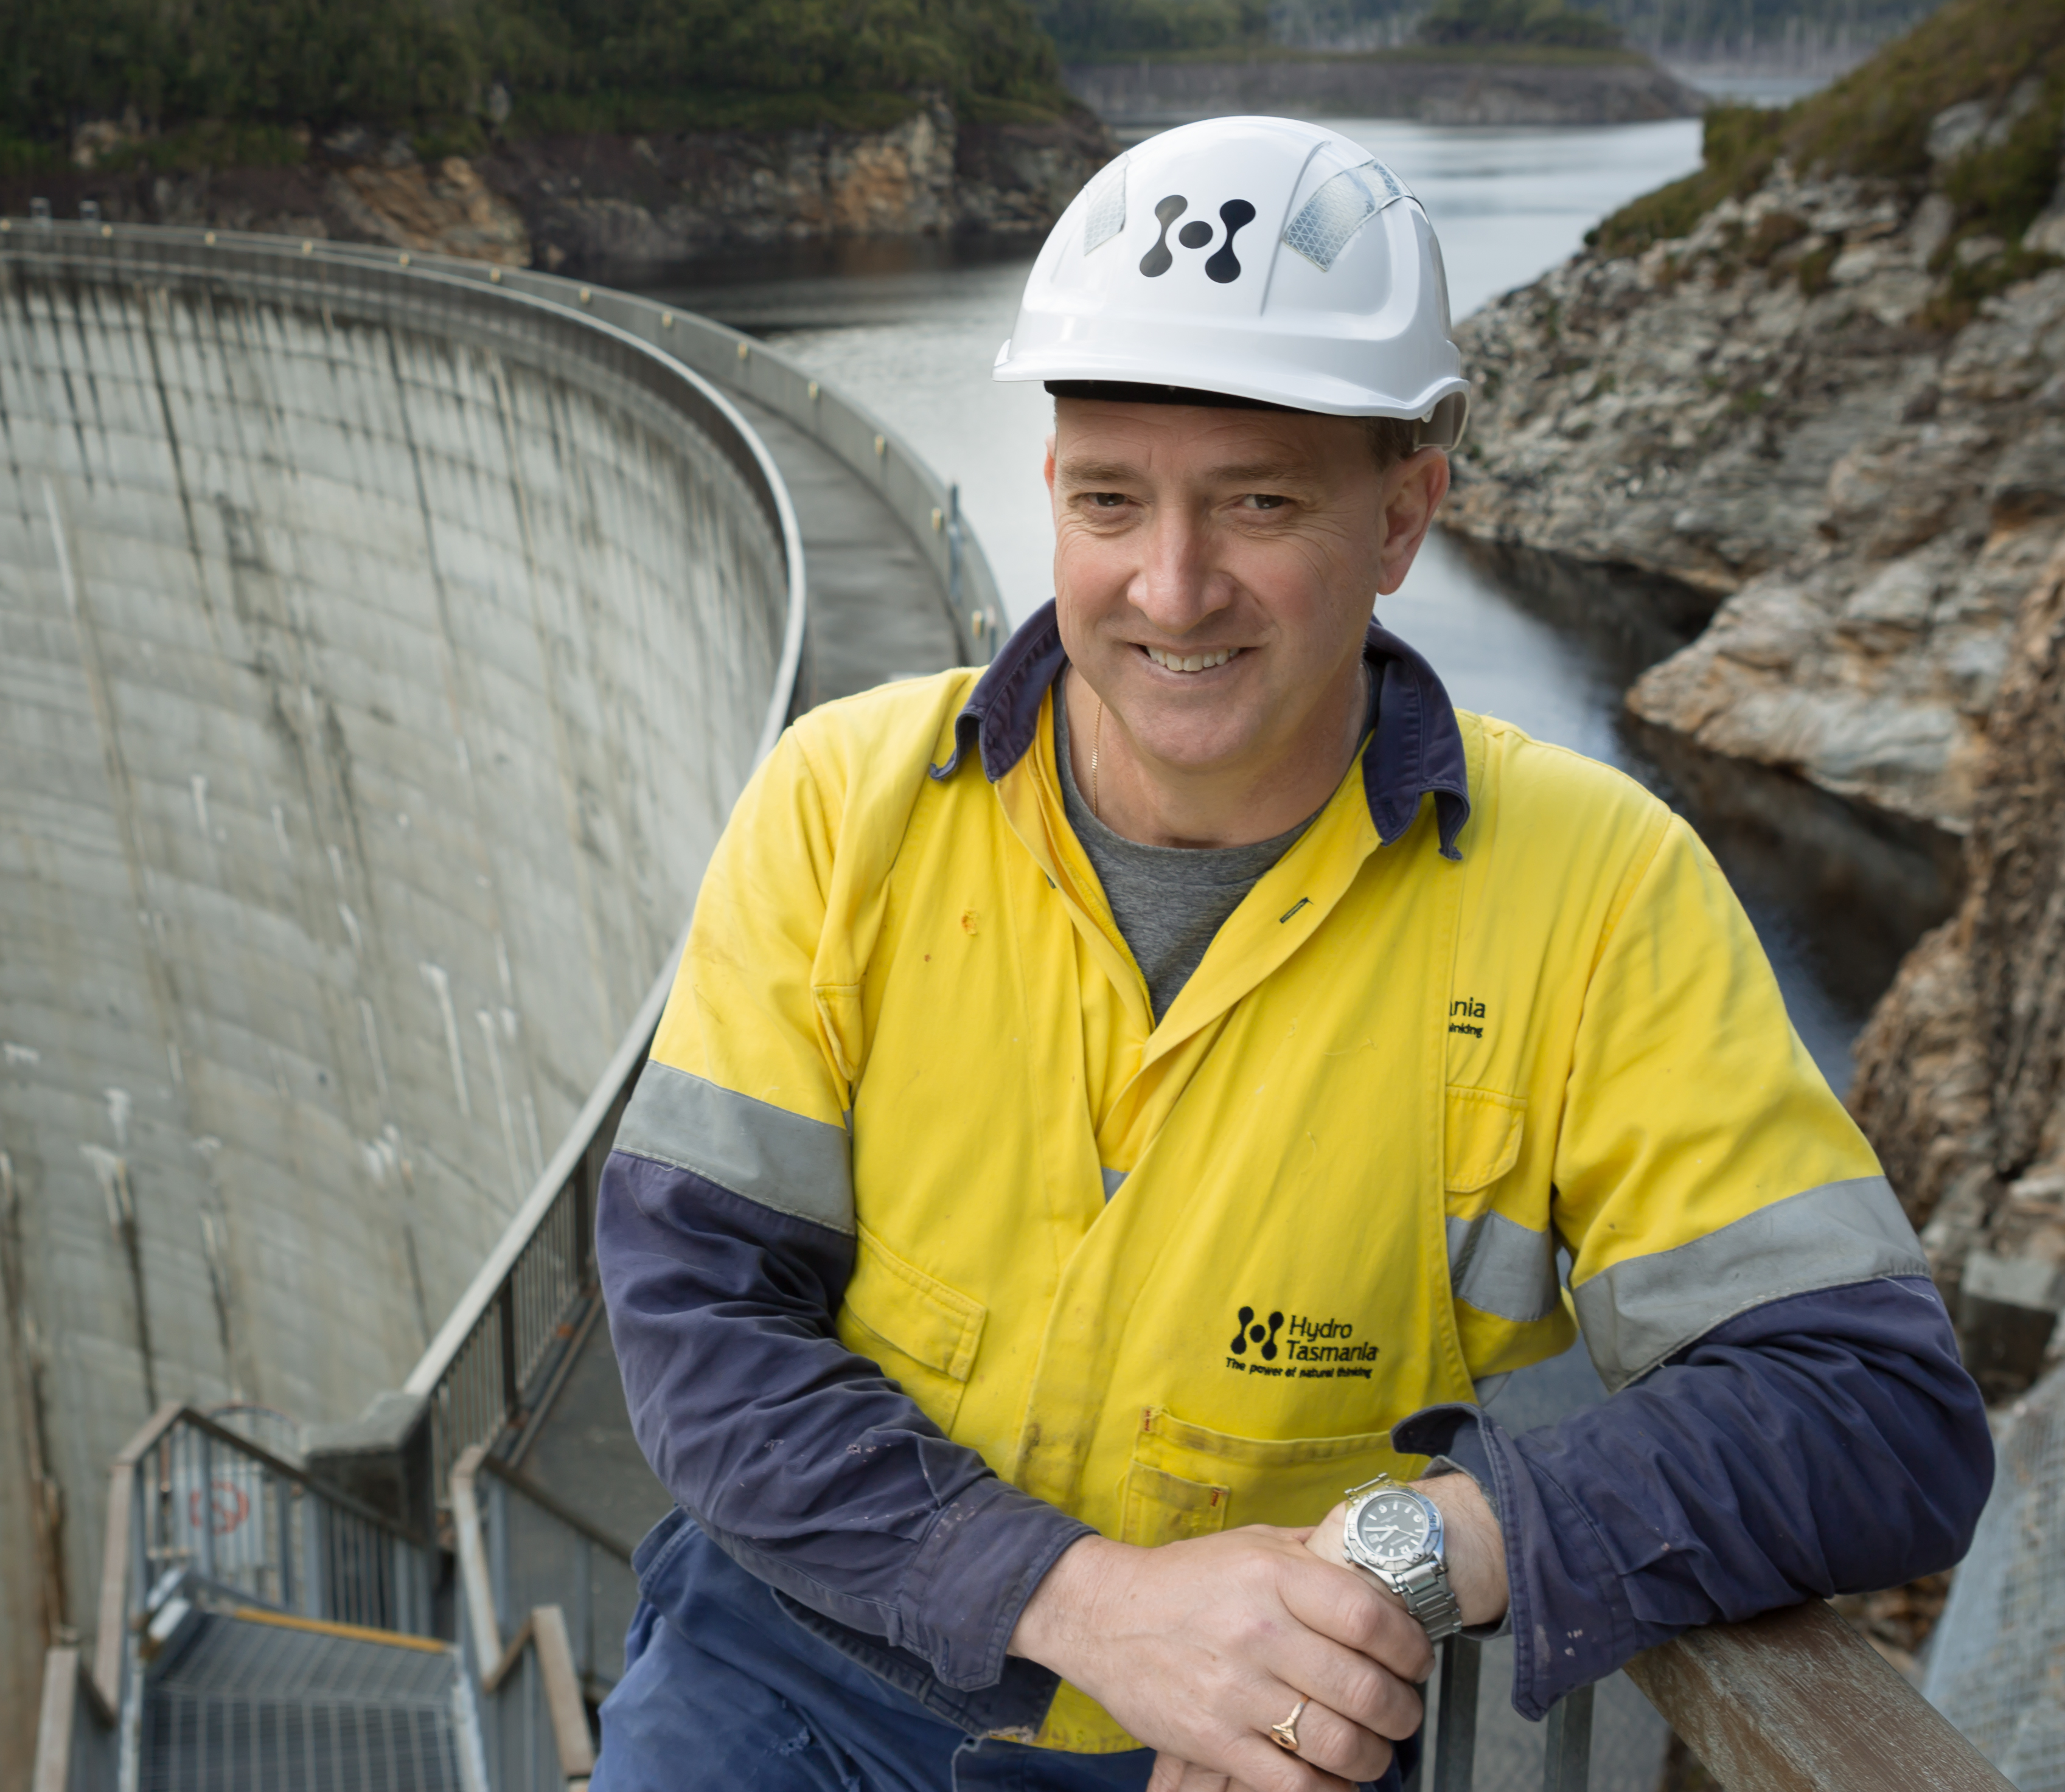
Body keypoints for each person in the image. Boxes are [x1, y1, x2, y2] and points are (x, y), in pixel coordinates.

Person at [589, 117, 1992, 1790]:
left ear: (1404, 518)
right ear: (1051, 493)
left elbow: (1872, 1408)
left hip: (1263, 1748)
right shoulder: (847, 806)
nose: (1172, 590)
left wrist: (1396, 1566)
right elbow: (698, 1318)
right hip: (791, 1680)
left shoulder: (1597, 896)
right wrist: (1083, 1603)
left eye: (1259, 503)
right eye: (1112, 501)